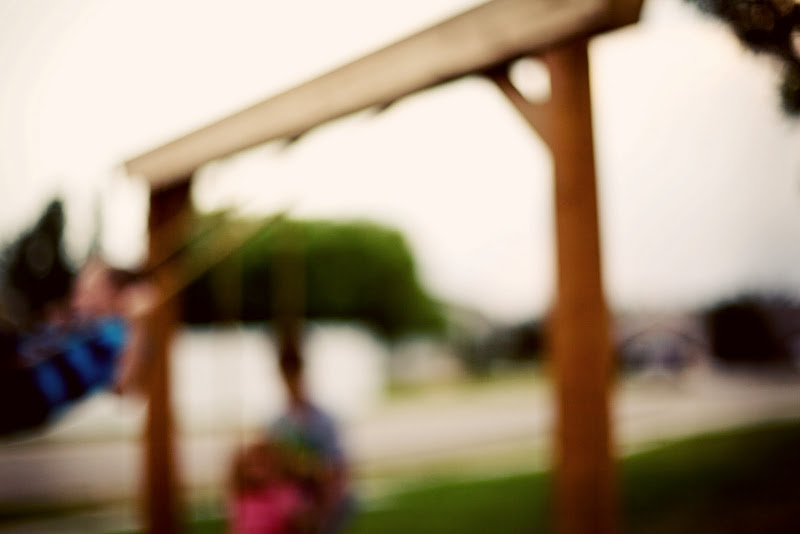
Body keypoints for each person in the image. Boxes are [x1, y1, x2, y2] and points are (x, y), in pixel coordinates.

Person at [0, 257, 155, 436]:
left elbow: (123, 385)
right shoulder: (77, 323)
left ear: (114, 293)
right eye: (78, 288)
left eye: (88, 290)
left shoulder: (119, 333)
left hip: (28, 393)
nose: (77, 298)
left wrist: (137, 322)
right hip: (17, 368)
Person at [268, 345, 356, 534]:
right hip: (295, 493)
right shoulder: (279, 424)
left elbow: (337, 466)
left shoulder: (322, 419)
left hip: (322, 490)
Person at [228, 438, 314, 534]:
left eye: (264, 463)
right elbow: (236, 527)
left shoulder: (285, 494)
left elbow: (303, 522)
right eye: (254, 464)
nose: (259, 469)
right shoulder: (243, 497)